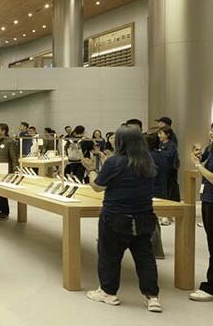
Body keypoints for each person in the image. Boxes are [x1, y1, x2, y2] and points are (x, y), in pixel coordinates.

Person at [82, 125, 161, 313]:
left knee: (109, 255)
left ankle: (108, 292)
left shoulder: (115, 162)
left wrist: (91, 169)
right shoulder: (148, 161)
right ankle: (152, 297)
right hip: (144, 215)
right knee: (145, 256)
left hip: (115, 216)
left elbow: (97, 186)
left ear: (120, 142)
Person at [189, 121, 213, 301]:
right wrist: (197, 157)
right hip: (209, 200)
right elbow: (201, 162)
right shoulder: (211, 150)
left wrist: (197, 165)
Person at [145, 133, 168, 259]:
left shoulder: (147, 157)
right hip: (160, 189)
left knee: (152, 221)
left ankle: (156, 250)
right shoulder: (161, 155)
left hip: (151, 190)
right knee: (153, 220)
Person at [156, 117, 180, 206]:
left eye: (161, 134)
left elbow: (170, 155)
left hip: (170, 169)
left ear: (167, 134)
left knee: (171, 187)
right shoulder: (160, 144)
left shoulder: (171, 144)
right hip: (164, 169)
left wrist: (159, 152)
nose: (159, 136)